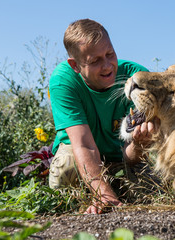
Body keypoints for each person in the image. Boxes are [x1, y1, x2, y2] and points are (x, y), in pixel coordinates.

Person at [48, 18, 157, 214]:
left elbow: (129, 157)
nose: (107, 66)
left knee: (154, 188)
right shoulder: (63, 81)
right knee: (66, 167)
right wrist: (104, 195)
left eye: (110, 54)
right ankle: (88, 199)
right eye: (95, 61)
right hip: (79, 158)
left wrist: (139, 145)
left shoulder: (136, 78)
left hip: (120, 161)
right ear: (75, 65)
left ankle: (109, 194)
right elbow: (84, 146)